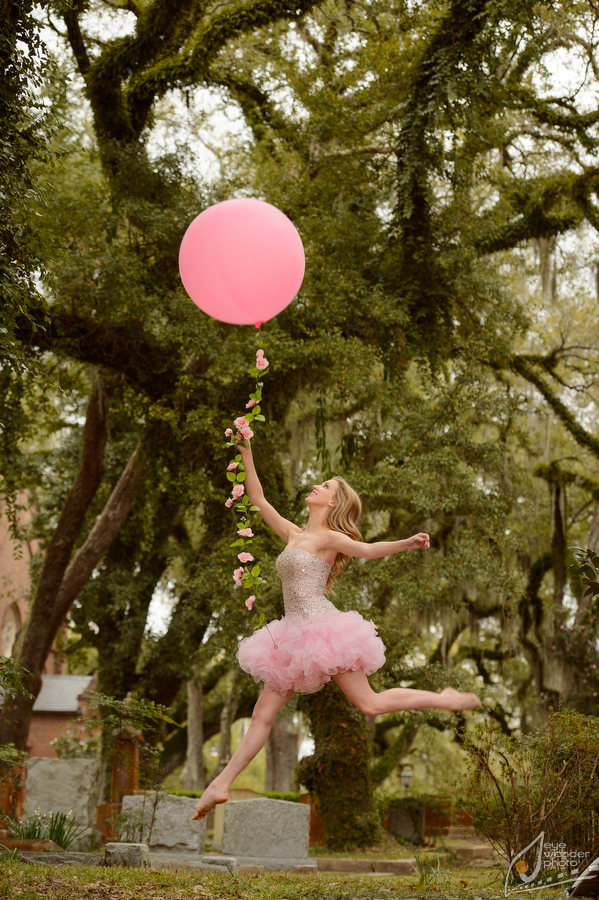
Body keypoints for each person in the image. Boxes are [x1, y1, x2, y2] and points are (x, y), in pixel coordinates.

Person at [192, 437, 481, 820]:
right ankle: (220, 784)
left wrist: (407, 543)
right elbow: (259, 500)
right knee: (262, 714)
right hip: (292, 636)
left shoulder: (329, 538)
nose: (317, 485)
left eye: (326, 486)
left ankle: (442, 698)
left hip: (323, 630)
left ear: (332, 503)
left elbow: (368, 549)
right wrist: (246, 452)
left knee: (370, 704)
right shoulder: (295, 535)